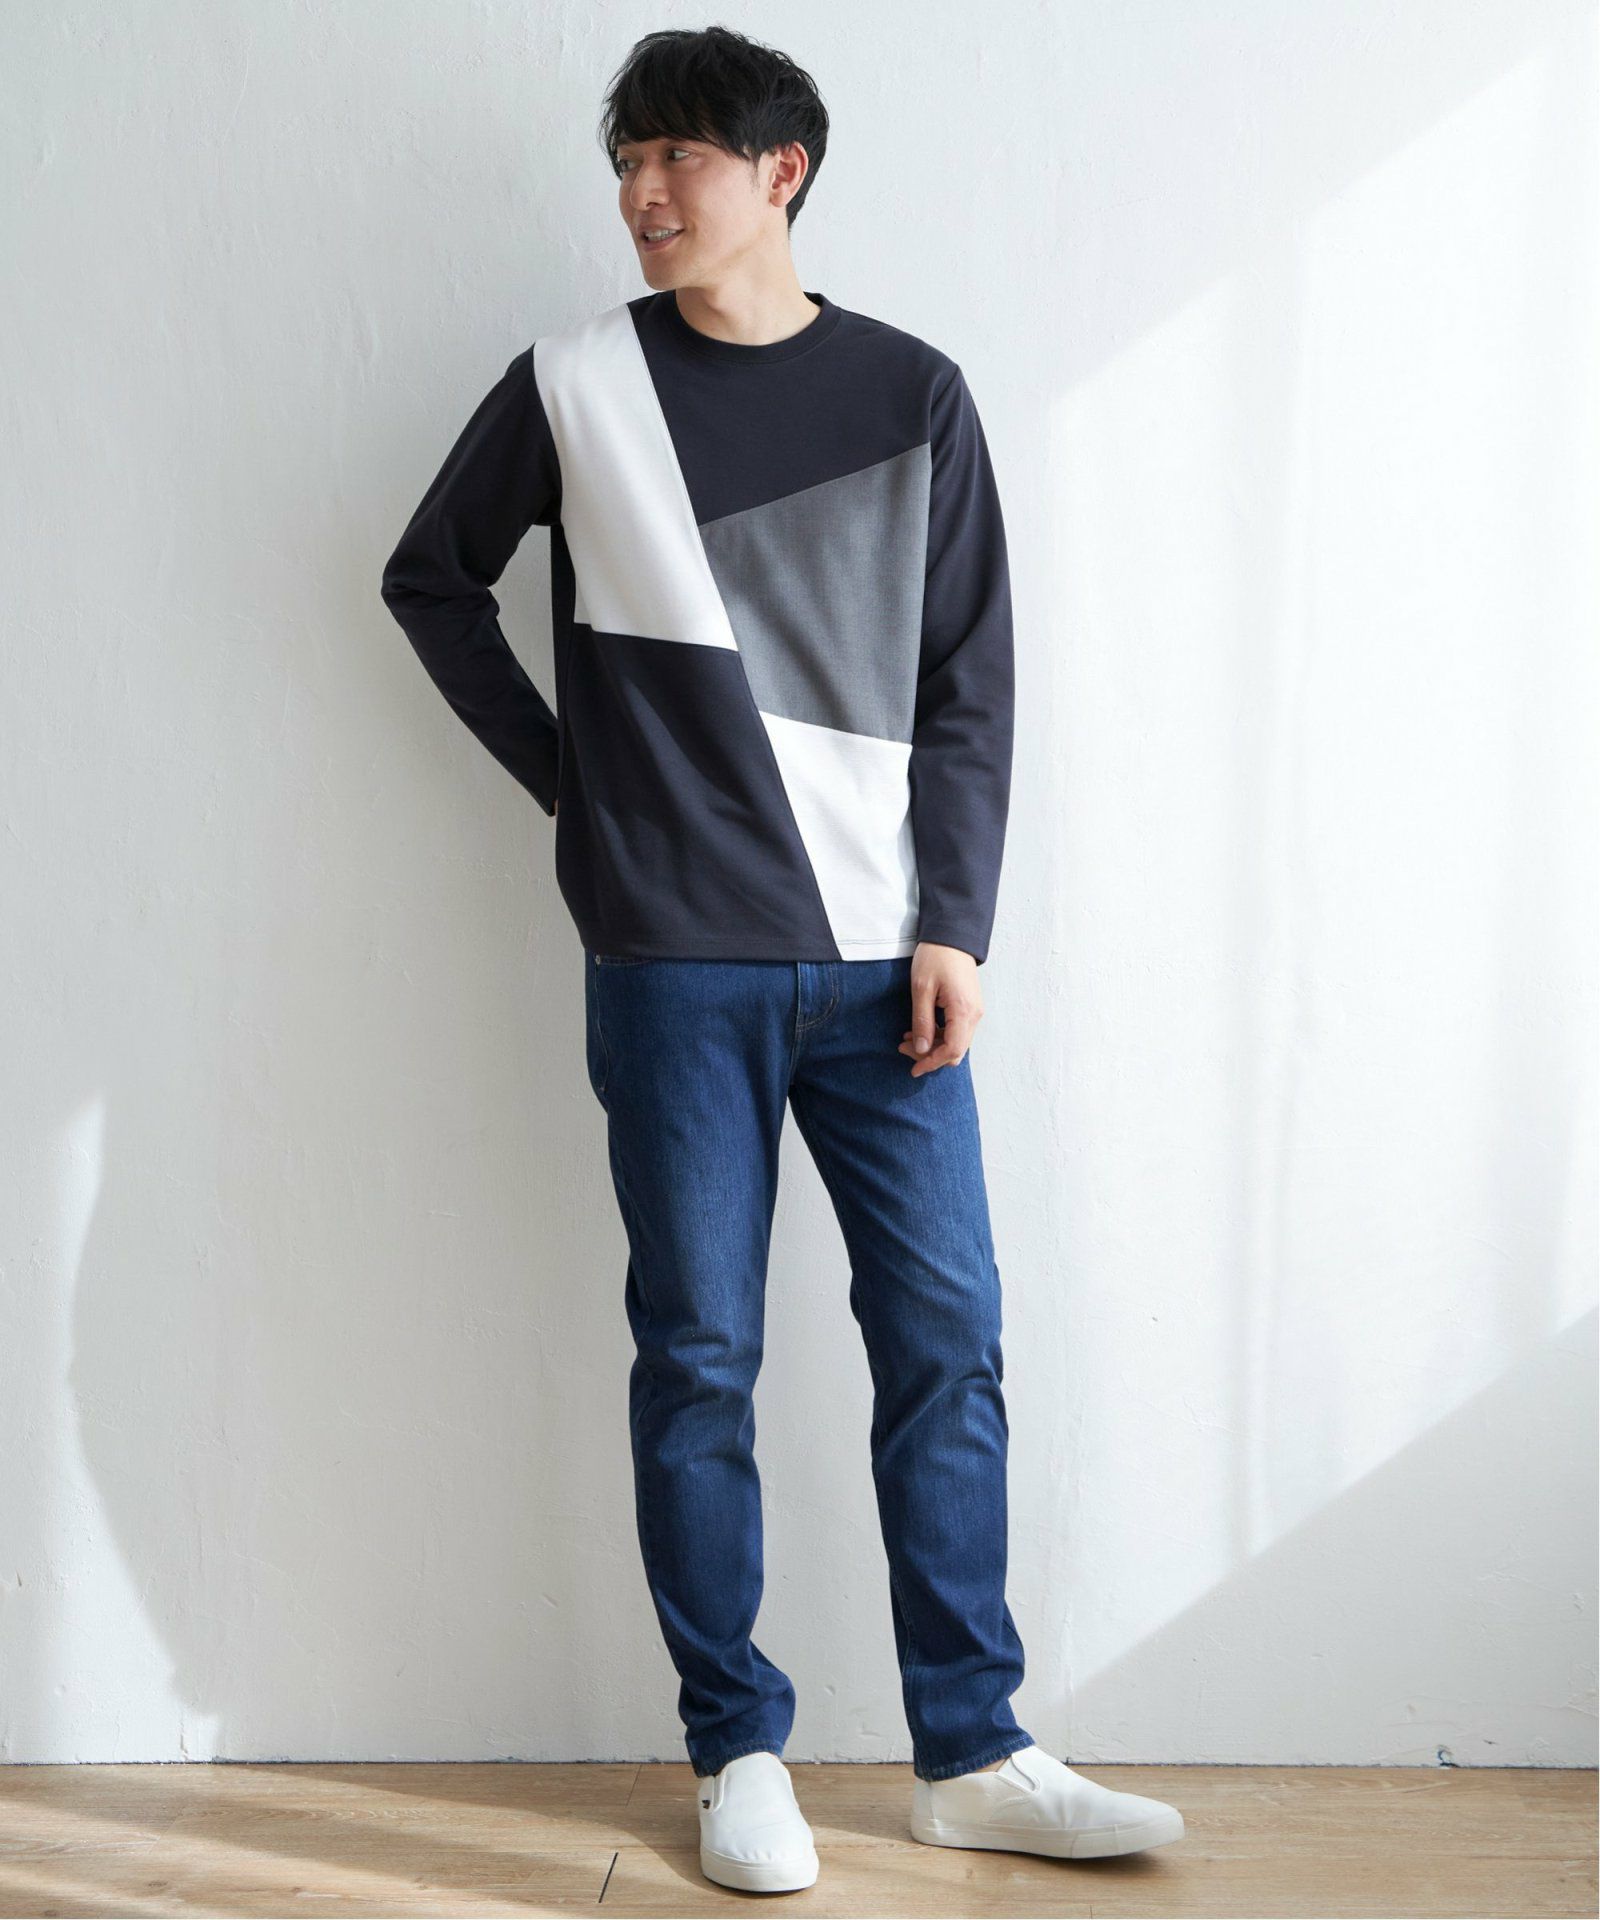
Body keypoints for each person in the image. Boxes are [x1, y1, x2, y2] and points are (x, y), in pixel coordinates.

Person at [380, 23, 1185, 1895]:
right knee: (699, 1355)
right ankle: (736, 1747)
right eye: (625, 166)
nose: (643, 195)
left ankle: (973, 1750)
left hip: (886, 965)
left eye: (677, 157)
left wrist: (957, 922)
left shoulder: (913, 395)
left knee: (946, 1347)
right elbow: (429, 579)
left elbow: (970, 681)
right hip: (673, 960)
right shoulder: (577, 386)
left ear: (781, 169)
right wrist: (579, 790)